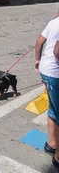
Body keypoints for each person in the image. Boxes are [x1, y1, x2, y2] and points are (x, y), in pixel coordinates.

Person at [35, 12, 59, 168]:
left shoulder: (53, 22)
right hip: (55, 74)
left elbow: (39, 41)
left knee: (54, 108)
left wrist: (37, 60)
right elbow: (57, 51)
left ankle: (52, 143)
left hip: (46, 70)